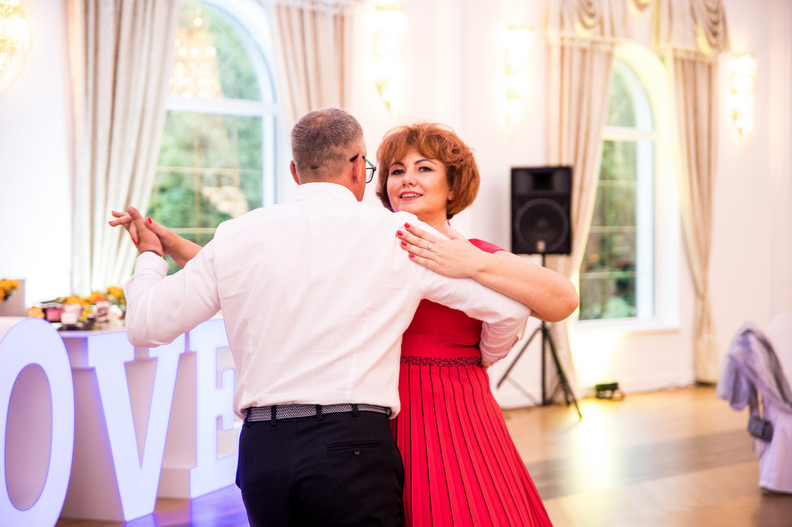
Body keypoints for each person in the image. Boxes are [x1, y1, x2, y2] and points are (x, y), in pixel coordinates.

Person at [117, 108, 530, 527]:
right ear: (357, 166)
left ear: (295, 171)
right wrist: (485, 354)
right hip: (354, 445)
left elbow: (146, 325)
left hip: (265, 450)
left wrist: (150, 256)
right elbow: (510, 308)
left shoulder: (236, 234)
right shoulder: (397, 235)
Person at [375, 123, 575, 526]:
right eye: (397, 170)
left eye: (423, 168)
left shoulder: (477, 254)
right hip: (383, 406)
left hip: (460, 406)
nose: (407, 178)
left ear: (453, 187)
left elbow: (563, 300)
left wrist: (473, 262)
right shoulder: (371, 250)